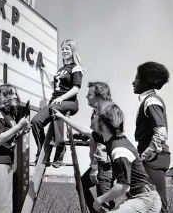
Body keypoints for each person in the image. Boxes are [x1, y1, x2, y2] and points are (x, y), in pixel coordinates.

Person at [52, 101, 162, 213]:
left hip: (146, 200)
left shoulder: (119, 150)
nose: (93, 118)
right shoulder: (110, 139)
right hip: (139, 198)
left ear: (102, 123)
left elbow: (123, 187)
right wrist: (62, 117)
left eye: (95, 115)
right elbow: (86, 131)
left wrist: (100, 199)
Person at [31, 39, 83, 168]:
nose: (64, 51)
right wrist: (45, 70)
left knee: (55, 108)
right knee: (35, 121)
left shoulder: (76, 67)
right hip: (55, 102)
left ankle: (60, 148)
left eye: (67, 49)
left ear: (73, 51)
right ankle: (43, 153)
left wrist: (62, 98)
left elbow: (76, 88)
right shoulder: (61, 70)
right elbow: (54, 85)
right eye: (63, 49)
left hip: (70, 102)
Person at [0, 84, 30, 213]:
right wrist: (19, 126)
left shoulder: (9, 116)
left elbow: (9, 137)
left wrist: (22, 131)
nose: (15, 96)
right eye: (12, 93)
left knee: (6, 207)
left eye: (15, 93)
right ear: (5, 97)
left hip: (5, 164)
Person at [132, 61, 170, 213]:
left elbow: (161, 133)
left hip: (154, 159)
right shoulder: (148, 101)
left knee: (157, 205)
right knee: (148, 203)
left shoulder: (151, 100)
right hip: (154, 158)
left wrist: (144, 156)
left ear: (146, 83)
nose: (133, 82)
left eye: (137, 79)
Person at [78, 82, 115, 213]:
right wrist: (79, 135)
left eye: (89, 94)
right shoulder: (97, 111)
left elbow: (102, 141)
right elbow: (93, 133)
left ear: (98, 96)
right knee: (82, 184)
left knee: (104, 202)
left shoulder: (104, 111)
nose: (86, 97)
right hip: (102, 162)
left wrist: (95, 167)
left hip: (105, 163)